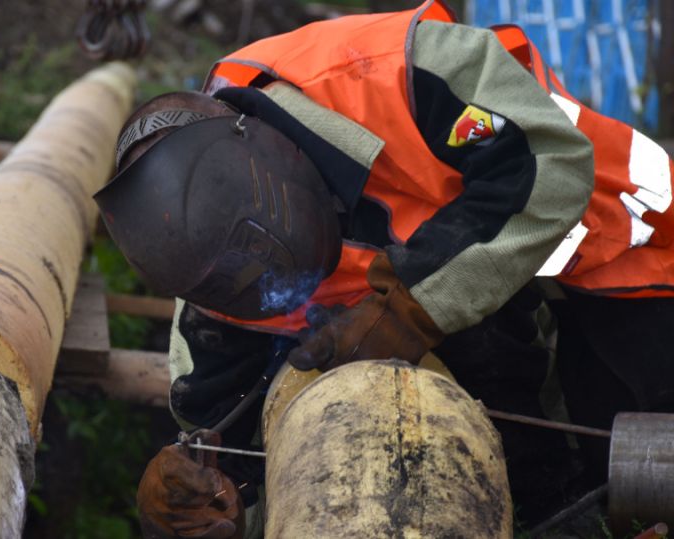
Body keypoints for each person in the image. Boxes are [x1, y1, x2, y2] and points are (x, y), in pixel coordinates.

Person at [94, 0, 674, 536]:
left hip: (625, 252)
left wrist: (414, 305)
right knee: (537, 484)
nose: (273, 296)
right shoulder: (209, 270)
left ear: (283, 166)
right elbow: (219, 421)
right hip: (490, 298)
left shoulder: (397, 71)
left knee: (636, 480)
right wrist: (196, 492)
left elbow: (551, 163)